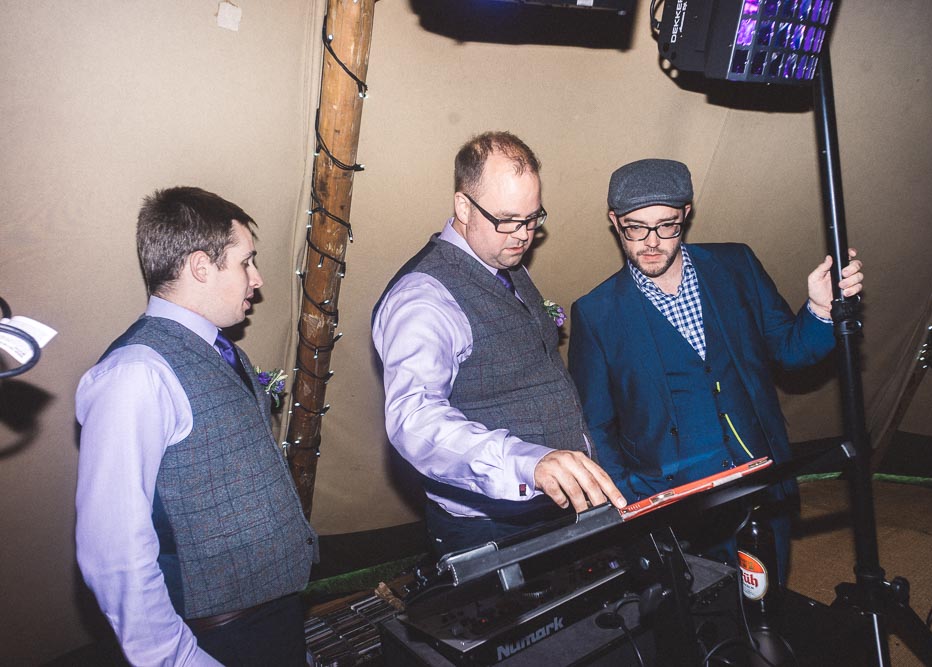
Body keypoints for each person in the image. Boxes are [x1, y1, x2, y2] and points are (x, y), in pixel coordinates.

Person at [568, 159, 864, 581]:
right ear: (615, 222)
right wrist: (629, 508)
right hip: (672, 506)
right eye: (635, 228)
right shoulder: (595, 312)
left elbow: (791, 353)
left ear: (686, 214)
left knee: (770, 598)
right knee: (700, 612)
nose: (651, 242)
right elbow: (596, 424)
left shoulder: (736, 265)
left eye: (666, 226)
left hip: (761, 482)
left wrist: (819, 309)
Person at [76, 187, 318, 666]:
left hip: (270, 622)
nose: (257, 279)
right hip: (217, 639)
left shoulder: (222, 351)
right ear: (201, 267)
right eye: (246, 262)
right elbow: (113, 552)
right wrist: (178, 659)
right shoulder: (135, 374)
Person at [372, 131, 626, 557]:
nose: (523, 235)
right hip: (489, 528)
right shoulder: (422, 299)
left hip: (547, 509)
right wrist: (527, 463)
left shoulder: (500, 259)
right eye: (507, 220)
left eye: (533, 218)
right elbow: (413, 420)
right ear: (463, 206)